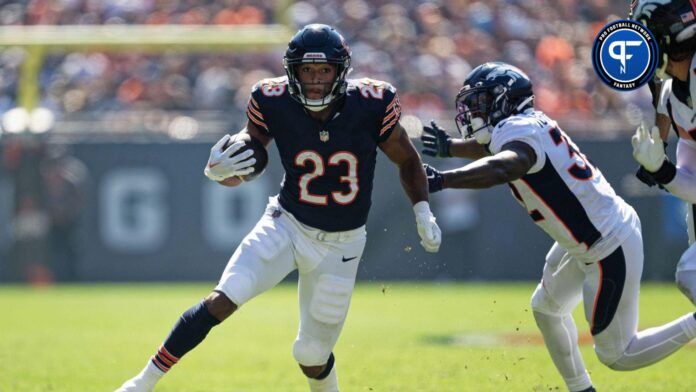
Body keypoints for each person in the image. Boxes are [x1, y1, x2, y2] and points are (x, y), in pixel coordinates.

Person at [117, 23, 440, 392]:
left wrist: (421, 209)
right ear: (293, 71)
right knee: (222, 299)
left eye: (324, 70)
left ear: (340, 71)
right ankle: (142, 383)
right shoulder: (272, 99)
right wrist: (222, 170)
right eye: (307, 70)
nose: (316, 80)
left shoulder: (372, 103)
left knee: (311, 354)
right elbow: (247, 157)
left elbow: (408, 158)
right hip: (286, 223)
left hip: (342, 244)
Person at [421, 61, 696, 392]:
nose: (473, 113)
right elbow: (493, 148)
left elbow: (505, 166)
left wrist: (444, 180)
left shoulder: (518, 133)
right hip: (590, 238)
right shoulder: (522, 125)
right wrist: (451, 147)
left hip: (606, 244)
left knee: (618, 355)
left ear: (503, 100)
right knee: (547, 309)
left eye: (480, 103)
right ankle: (581, 389)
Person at [631, 0, 696, 304]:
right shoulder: (673, 96)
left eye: (647, 35)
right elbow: (692, 186)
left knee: (691, 271)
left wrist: (664, 171)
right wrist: (662, 169)